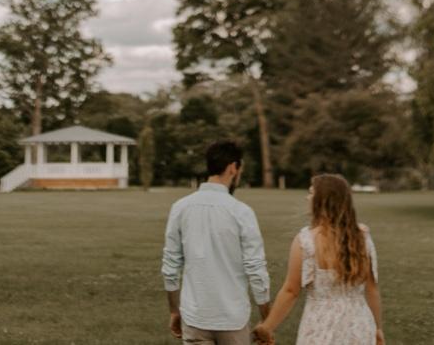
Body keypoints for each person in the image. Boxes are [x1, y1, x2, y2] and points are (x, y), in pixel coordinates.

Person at [252, 173, 385, 345]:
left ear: (322, 201)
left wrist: (267, 327)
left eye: (311, 193)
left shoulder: (306, 241)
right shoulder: (363, 237)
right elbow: (372, 289)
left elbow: (291, 291)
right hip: (359, 325)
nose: (307, 197)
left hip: (320, 327)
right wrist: (377, 328)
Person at [161, 140, 272, 344]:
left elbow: (170, 267)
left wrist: (174, 311)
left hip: (194, 317)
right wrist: (267, 320)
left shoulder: (180, 207)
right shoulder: (242, 212)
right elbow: (256, 269)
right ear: (233, 168)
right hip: (233, 319)